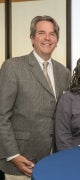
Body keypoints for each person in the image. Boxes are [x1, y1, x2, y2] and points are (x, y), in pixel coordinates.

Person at [0, 15, 71, 179]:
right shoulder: (13, 67)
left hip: (54, 160)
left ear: (56, 39)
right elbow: (2, 115)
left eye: (52, 34)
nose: (47, 38)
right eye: (41, 33)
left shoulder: (64, 72)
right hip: (20, 161)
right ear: (32, 38)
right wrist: (13, 155)